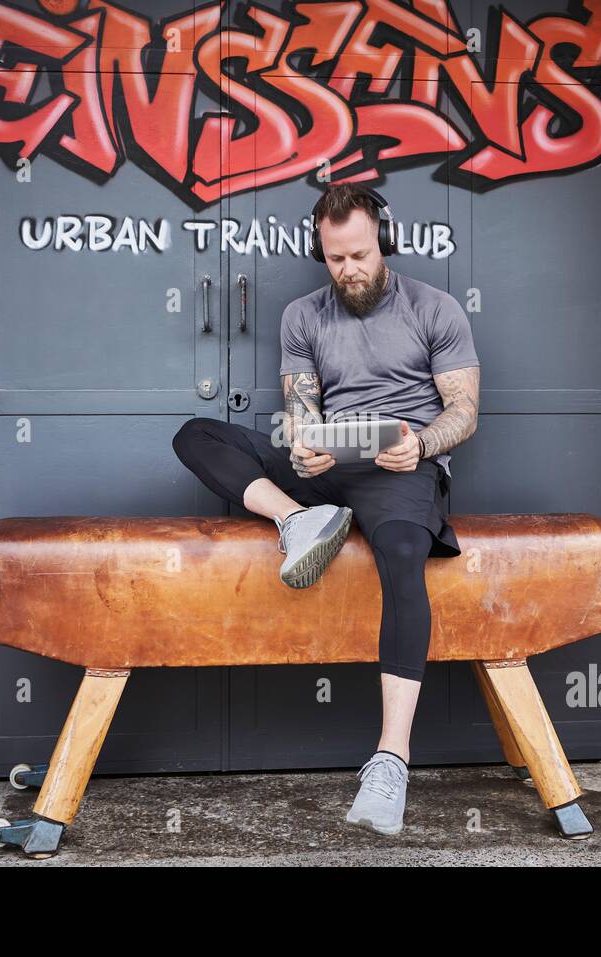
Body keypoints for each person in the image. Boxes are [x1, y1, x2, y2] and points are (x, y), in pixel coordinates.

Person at [171, 183, 481, 835]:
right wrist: (307, 446)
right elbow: (303, 411)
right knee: (199, 434)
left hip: (401, 466)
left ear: (384, 242)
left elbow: (465, 412)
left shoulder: (436, 308)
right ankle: (294, 518)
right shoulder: (301, 316)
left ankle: (391, 759)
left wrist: (420, 443)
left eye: (360, 255)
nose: (350, 270)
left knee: (402, 554)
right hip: (330, 470)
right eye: (336, 259)